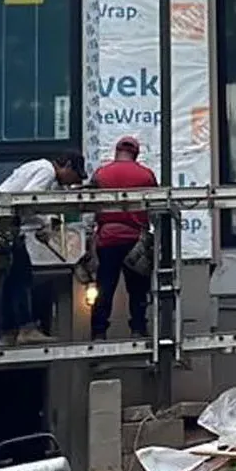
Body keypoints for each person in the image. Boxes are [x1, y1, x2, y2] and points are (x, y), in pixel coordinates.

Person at [0, 152, 87, 347]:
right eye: (73, 177)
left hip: (1, 223)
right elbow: (28, 200)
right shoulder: (47, 171)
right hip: (9, 224)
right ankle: (26, 329)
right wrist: (43, 224)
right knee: (22, 278)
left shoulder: (35, 167)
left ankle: (8, 332)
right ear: (67, 165)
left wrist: (39, 225)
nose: (69, 184)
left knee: (10, 281)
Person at [87, 137, 157, 340]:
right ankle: (138, 329)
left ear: (116, 152)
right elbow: (154, 208)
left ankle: (98, 333)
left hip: (107, 239)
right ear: (136, 153)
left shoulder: (101, 174)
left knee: (104, 288)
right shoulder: (146, 175)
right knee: (137, 290)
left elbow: (90, 209)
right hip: (135, 240)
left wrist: (89, 241)